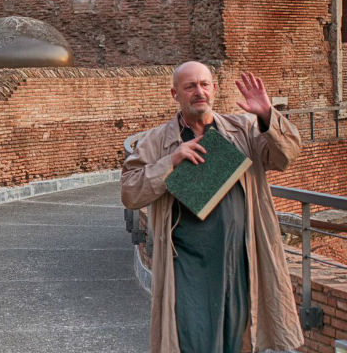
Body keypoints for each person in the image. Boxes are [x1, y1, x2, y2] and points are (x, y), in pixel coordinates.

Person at [120, 61, 304, 353]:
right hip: (187, 265)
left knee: (238, 341)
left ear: (214, 89)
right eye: (190, 86)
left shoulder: (242, 129)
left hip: (240, 259)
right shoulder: (157, 140)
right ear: (175, 94)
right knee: (192, 340)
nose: (199, 92)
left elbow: (286, 156)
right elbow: (130, 193)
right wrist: (172, 161)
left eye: (204, 84)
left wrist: (267, 115)